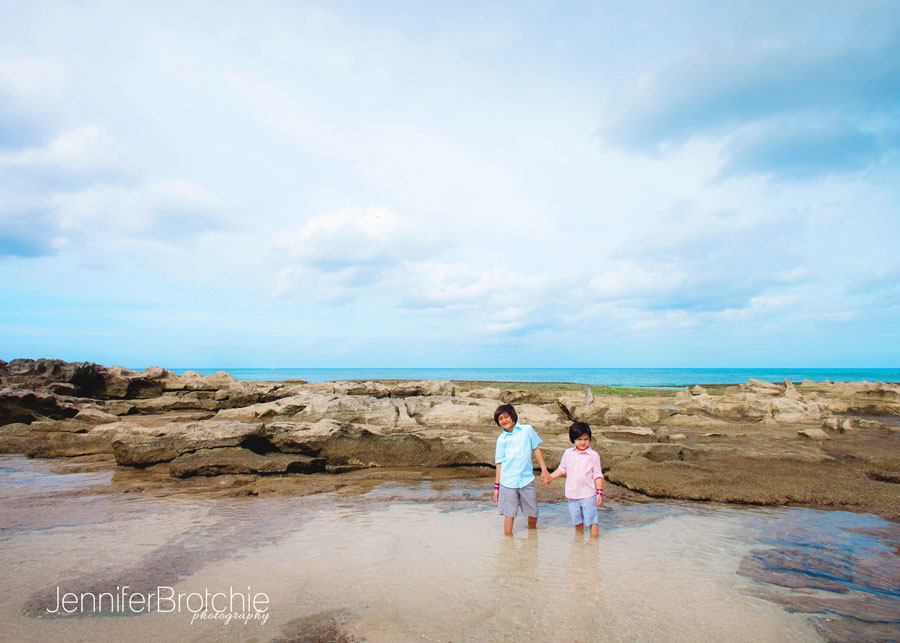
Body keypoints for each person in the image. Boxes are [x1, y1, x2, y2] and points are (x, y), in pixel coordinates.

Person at [492, 404, 551, 536]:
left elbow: (535, 448)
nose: (504, 420)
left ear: (513, 416)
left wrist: (544, 469)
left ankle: (532, 536)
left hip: (526, 479)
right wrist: (497, 486)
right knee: (509, 513)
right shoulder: (501, 440)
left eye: (506, 417)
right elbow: (499, 463)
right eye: (500, 419)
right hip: (507, 482)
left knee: (532, 511)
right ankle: (508, 542)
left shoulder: (527, 430)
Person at [547, 422, 604, 538]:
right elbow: (562, 469)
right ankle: (578, 543)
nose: (583, 442)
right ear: (573, 439)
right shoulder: (568, 453)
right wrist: (550, 477)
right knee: (577, 521)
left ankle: (594, 545)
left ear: (590, 439)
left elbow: (598, 475)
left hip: (588, 494)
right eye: (579, 439)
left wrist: (599, 492)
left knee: (592, 521)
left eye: (586, 439)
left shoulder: (593, 455)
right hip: (572, 495)